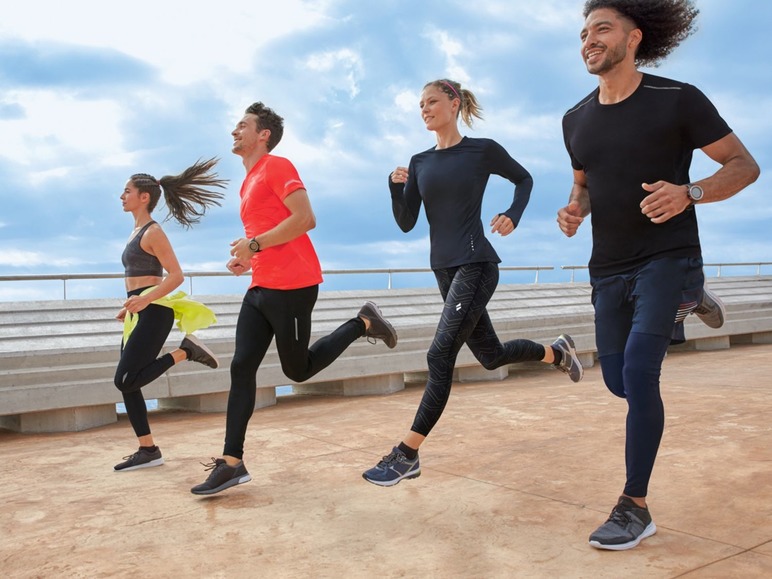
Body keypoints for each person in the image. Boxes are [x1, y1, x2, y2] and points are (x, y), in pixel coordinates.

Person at [559, 0, 760, 550]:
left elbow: (744, 166)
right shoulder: (574, 118)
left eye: (602, 29)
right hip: (608, 266)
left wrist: (689, 192)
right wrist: (576, 207)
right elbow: (585, 182)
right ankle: (692, 296)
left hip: (666, 254)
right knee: (618, 381)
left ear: (634, 38)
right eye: (583, 33)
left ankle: (634, 506)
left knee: (643, 373)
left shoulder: (679, 99)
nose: (589, 40)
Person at [361, 79, 584, 488]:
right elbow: (407, 222)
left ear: (454, 103)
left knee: (439, 355)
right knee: (492, 355)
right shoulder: (420, 162)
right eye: (420, 104)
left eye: (431, 101)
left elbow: (524, 179)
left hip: (477, 263)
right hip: (443, 270)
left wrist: (513, 214)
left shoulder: (481, 150)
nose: (424, 109)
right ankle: (557, 352)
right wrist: (394, 188)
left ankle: (406, 454)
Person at [190, 102, 398, 496]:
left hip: (294, 286)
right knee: (241, 367)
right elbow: (271, 233)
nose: (235, 131)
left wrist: (253, 243)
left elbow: (305, 219)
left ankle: (363, 322)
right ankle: (232, 462)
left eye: (243, 125)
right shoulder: (247, 181)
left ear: (263, 134)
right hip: (260, 286)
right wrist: (248, 258)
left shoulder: (277, 166)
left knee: (297, 371)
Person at [114, 158, 227, 472]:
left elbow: (176, 276)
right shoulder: (136, 231)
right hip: (139, 310)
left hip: (155, 311)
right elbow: (139, 280)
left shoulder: (153, 232)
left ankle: (185, 351)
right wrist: (129, 305)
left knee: (124, 379)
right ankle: (147, 449)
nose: (121, 197)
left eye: (126, 191)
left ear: (144, 197)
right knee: (130, 385)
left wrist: (144, 300)